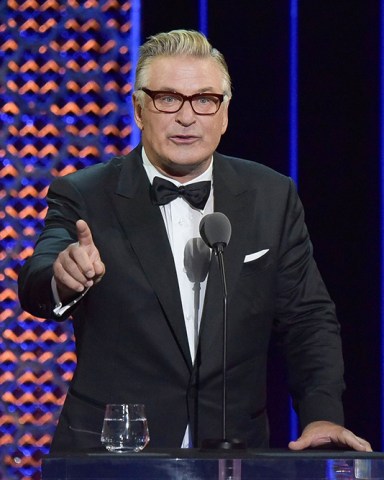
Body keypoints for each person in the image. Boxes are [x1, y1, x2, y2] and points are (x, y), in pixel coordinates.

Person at [18, 29, 372, 453]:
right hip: (113, 453)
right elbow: (38, 278)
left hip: (234, 452)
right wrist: (63, 277)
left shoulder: (270, 195)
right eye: (168, 98)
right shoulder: (85, 194)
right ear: (139, 109)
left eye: (204, 99)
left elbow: (307, 318)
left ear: (224, 113)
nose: (187, 117)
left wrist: (322, 414)